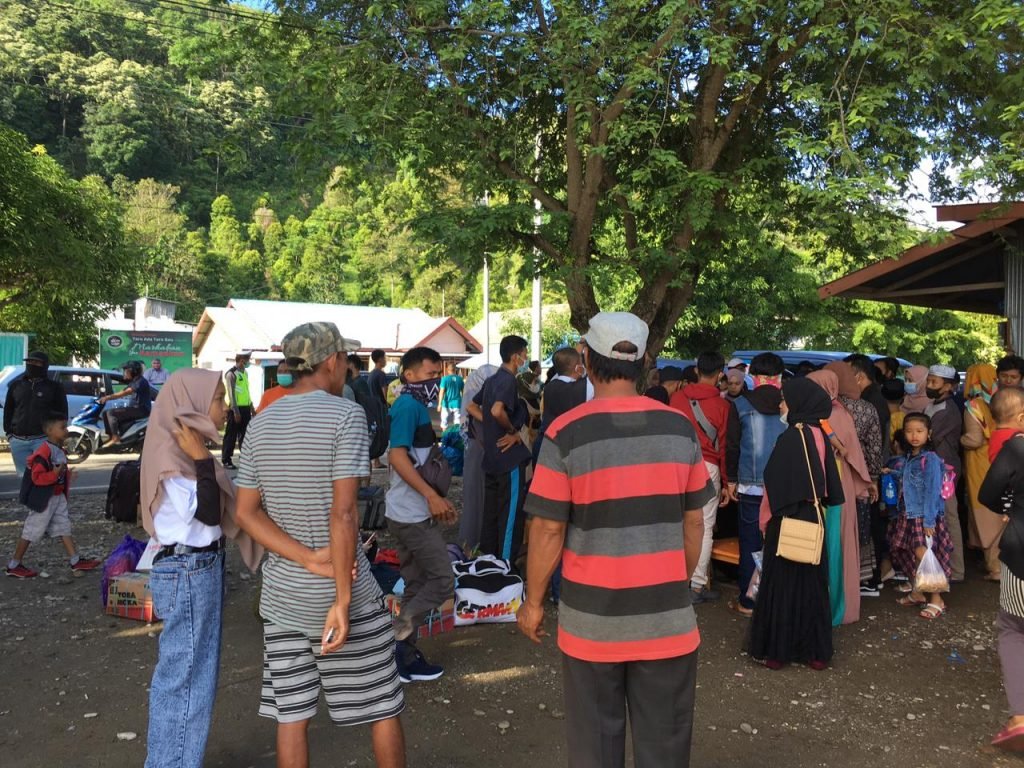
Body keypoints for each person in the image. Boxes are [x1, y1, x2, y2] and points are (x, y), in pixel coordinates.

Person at [518, 311, 711, 768]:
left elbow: (547, 527)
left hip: (591, 623)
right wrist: (672, 585)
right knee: (664, 747)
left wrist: (533, 602)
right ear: (645, 360)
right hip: (667, 624)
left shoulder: (565, 433)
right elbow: (694, 523)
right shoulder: (679, 428)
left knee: (595, 746)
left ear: (587, 356)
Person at [234, 322, 406, 768]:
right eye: (346, 360)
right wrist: (342, 600)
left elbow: (246, 513)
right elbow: (344, 513)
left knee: (291, 716)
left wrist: (308, 558)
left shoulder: (261, 423)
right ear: (331, 362)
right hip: (343, 591)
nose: (347, 368)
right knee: (382, 706)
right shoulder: (344, 415)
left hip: (283, 596)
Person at [140, 369, 263, 768]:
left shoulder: (182, 451)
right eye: (218, 400)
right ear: (192, 405)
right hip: (188, 570)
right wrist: (200, 460)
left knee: (195, 677)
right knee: (185, 682)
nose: (226, 409)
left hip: (198, 568)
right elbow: (208, 513)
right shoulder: (173, 456)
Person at [748, 378, 844, 670]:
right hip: (814, 518)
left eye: (785, 400)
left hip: (786, 519)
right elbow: (829, 485)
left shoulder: (792, 436)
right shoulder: (819, 435)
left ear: (798, 404)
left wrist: (764, 522)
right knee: (813, 586)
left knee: (782, 585)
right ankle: (814, 651)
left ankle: (778, 651)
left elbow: (773, 486)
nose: (780, 405)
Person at [386, 346, 457, 683]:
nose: (435, 381)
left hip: (412, 512)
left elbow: (421, 461)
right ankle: (398, 635)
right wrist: (430, 496)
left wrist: (437, 499)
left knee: (416, 583)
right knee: (443, 581)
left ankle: (403, 657)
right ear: (409, 375)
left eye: (437, 374)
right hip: (409, 514)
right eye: (430, 374)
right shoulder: (407, 407)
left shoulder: (416, 407)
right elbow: (397, 457)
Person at [724, 352, 788, 617]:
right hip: (783, 487)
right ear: (780, 378)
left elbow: (732, 446)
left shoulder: (739, 405)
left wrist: (731, 481)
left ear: (753, 377)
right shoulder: (789, 407)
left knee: (750, 543)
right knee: (779, 543)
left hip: (750, 487)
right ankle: (777, 599)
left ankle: (748, 601)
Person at [670, 351, 737, 604]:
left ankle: (675, 580)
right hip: (707, 467)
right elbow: (725, 446)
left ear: (697, 369)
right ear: (720, 374)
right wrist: (728, 482)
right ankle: (696, 585)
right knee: (704, 526)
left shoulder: (676, 399)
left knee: (677, 523)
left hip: (676, 465)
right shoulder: (723, 406)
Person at [978, 386, 1024, 752]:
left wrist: (1012, 504)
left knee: (1013, 626)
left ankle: (1021, 717)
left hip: (1021, 555)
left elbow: (988, 495)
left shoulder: (1016, 447)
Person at [807, 369, 872, 626]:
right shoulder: (833, 412)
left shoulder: (833, 414)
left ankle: (833, 606)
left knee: (833, 542)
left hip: (833, 484)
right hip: (834, 480)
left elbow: (850, 452)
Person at [5, 416, 99, 579]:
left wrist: (67, 475)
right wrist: (55, 474)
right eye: (62, 427)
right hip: (45, 499)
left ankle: (75, 561)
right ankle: (14, 564)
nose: (67, 430)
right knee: (32, 530)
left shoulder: (58, 450)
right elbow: (37, 477)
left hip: (57, 496)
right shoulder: (44, 451)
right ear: (49, 431)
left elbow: (58, 472)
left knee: (63, 527)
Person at [467, 335, 532, 563]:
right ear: (516, 357)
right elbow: (496, 410)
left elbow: (472, 406)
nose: (526, 358)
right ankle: (505, 569)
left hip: (492, 458)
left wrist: (490, 424)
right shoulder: (507, 380)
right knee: (510, 518)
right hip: (508, 460)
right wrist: (511, 429)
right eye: (525, 353)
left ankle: (490, 563)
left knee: (492, 515)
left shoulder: (491, 380)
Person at [885, 413, 954, 620]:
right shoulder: (908, 458)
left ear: (928, 433)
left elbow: (933, 490)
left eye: (919, 431)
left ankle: (936, 599)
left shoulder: (930, 459)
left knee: (924, 555)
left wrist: (930, 521)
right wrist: (892, 472)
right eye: (909, 431)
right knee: (915, 555)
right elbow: (910, 480)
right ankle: (918, 592)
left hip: (924, 516)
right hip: (909, 514)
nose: (914, 435)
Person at [825, 361, 883, 603]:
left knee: (834, 531)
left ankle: (833, 583)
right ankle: (858, 581)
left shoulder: (823, 410)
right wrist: (872, 479)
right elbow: (874, 448)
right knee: (858, 530)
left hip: (830, 476)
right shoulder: (866, 409)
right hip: (859, 477)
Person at [924, 364, 966, 582]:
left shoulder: (948, 411)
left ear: (948, 386)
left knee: (949, 517)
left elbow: (929, 437)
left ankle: (957, 570)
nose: (928, 385)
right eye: (928, 381)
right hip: (932, 467)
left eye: (934, 382)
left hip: (945, 469)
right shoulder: (932, 405)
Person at [961, 363, 1002, 581]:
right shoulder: (1002, 401)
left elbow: (974, 439)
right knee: (1001, 513)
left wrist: (960, 440)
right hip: (999, 459)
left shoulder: (974, 405)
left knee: (984, 513)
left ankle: (994, 566)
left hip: (980, 462)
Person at [3, 350, 67, 476]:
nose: (32, 364)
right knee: (24, 478)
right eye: (30, 361)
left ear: (44, 365)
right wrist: (9, 434)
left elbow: (62, 414)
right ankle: (25, 497)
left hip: (42, 439)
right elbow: (8, 410)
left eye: (37, 363)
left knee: (43, 476)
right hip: (18, 440)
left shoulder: (54, 387)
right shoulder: (16, 386)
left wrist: (58, 438)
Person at [459, 364, 498, 550]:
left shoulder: (474, 411)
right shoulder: (480, 410)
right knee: (479, 499)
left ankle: (473, 542)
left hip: (475, 454)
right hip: (481, 454)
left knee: (475, 499)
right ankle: (475, 544)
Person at [99, 360, 154, 446]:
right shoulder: (134, 381)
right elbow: (123, 391)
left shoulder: (140, 381)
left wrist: (108, 398)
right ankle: (112, 437)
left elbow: (125, 392)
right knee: (105, 413)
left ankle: (115, 438)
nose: (124, 373)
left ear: (133, 371)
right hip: (135, 408)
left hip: (141, 409)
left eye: (126, 371)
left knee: (111, 413)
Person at [221, 352, 252, 469]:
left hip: (246, 408)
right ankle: (226, 460)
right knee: (231, 435)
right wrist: (235, 411)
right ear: (242, 360)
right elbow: (231, 394)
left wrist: (251, 406)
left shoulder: (245, 373)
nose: (249, 362)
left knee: (245, 435)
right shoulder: (231, 374)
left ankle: (244, 458)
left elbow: (246, 392)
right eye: (248, 359)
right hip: (235, 409)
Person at [437, 362, 464, 430]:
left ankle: (444, 438)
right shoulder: (460, 379)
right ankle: (456, 439)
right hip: (457, 403)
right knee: (457, 422)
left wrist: (439, 404)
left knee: (444, 423)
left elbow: (441, 392)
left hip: (446, 403)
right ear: (455, 370)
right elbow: (463, 392)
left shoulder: (444, 379)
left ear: (447, 370)